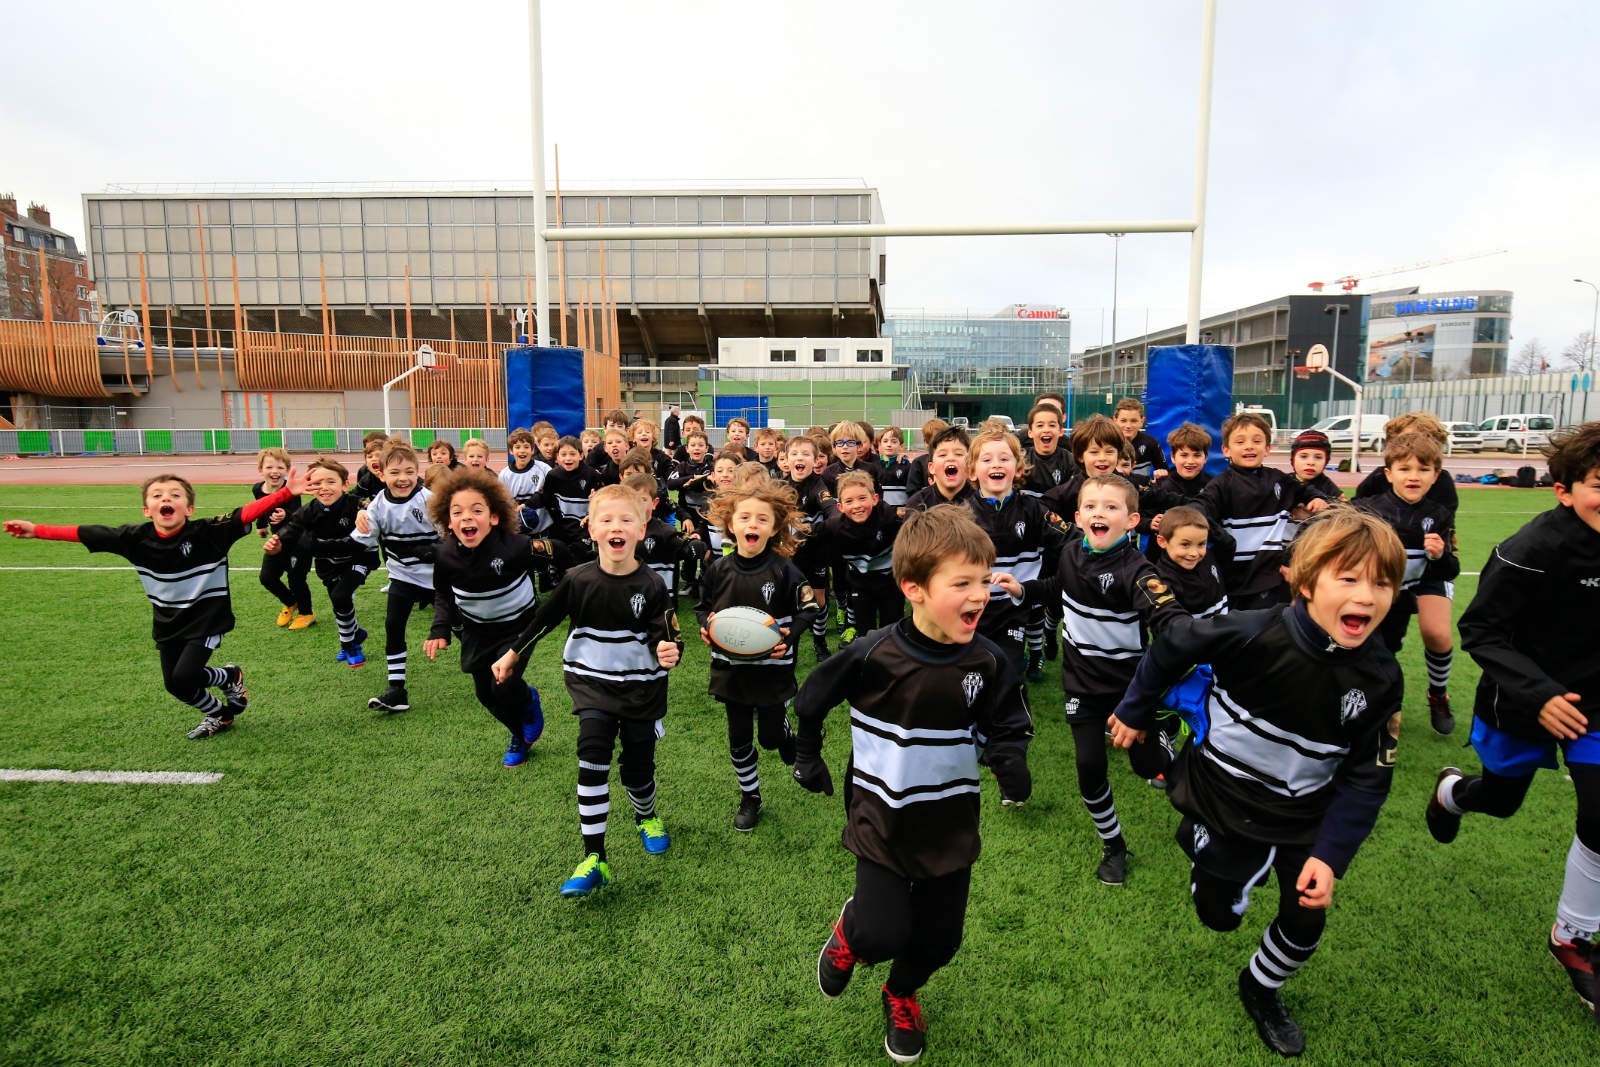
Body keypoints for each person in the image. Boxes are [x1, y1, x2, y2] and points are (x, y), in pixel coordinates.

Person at [1109, 506, 1405, 1057]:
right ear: (1307, 581)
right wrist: (1133, 710)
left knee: (1306, 918)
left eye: (1382, 583)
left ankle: (1261, 987)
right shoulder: (1253, 629)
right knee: (1218, 918)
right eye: (1348, 579)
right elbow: (1171, 647)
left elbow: (1369, 778)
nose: (1366, 595)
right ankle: (1195, 829)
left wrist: (1332, 855)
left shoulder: (1382, 677)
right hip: (1223, 794)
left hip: (1304, 816)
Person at [792, 504, 1033, 1065]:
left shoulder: (990, 661)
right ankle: (852, 932)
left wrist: (1010, 757)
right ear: (914, 588)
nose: (979, 595)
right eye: (962, 583)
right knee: (880, 934)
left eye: (984, 581)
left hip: (949, 822)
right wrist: (806, 757)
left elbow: (1009, 723)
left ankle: (901, 993)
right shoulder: (873, 651)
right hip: (879, 815)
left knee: (941, 941)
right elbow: (810, 700)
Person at [1424, 423, 1600, 1026]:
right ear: (1565, 491)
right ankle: (1453, 792)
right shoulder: (1531, 549)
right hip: (1522, 702)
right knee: (1500, 802)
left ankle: (1573, 936)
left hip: (1594, 707)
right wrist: (1541, 693)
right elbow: (1480, 631)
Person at [6, 470, 304, 739]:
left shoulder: (208, 533)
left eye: (175, 495)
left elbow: (244, 514)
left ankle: (228, 678)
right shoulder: (134, 539)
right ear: (147, 510)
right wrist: (37, 529)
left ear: (188, 509)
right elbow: (87, 532)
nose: (167, 499)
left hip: (207, 618)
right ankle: (221, 711)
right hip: (168, 622)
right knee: (175, 684)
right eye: (158, 496)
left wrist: (285, 493)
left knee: (186, 675)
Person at [492, 485, 684, 898]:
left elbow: (668, 637)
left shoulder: (652, 584)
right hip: (591, 684)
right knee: (592, 754)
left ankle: (645, 815)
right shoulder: (576, 579)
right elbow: (542, 621)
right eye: (607, 520)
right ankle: (594, 857)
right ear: (591, 528)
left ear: (641, 528)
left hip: (641, 690)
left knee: (636, 767)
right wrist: (511, 655)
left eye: (626, 520)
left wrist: (670, 652)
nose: (617, 526)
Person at [994, 474, 1181, 882]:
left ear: (1132, 520)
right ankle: (1113, 845)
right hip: (1081, 684)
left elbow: (1166, 616)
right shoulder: (1069, 552)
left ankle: (1166, 728)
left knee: (1148, 766)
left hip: (1131, 691)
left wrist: (1181, 633)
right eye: (1092, 506)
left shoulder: (1138, 570)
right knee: (1089, 765)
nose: (1100, 513)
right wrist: (1022, 590)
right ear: (1078, 517)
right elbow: (1059, 588)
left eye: (1111, 507)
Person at [696, 477, 821, 831]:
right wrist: (707, 627)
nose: (753, 524)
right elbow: (703, 607)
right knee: (739, 738)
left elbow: (809, 610)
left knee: (769, 738)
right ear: (731, 525)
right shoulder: (718, 570)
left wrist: (791, 635)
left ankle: (785, 736)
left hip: (772, 669)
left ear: (775, 528)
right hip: (730, 669)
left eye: (762, 519)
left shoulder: (785, 571)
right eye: (745, 518)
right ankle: (750, 796)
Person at [423, 469, 556, 768]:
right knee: (485, 695)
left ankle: (524, 715)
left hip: (520, 627)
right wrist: (439, 628)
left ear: (494, 517)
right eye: (457, 512)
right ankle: (518, 729)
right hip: (477, 631)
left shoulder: (516, 546)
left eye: (476, 510)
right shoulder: (444, 554)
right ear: (448, 521)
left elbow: (559, 553)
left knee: (504, 684)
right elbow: (442, 594)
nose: (466, 517)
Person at [1354, 433, 1460, 734]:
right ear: (1388, 474)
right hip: (1366, 597)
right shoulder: (1366, 508)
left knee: (1387, 654)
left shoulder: (1438, 514)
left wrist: (1439, 556)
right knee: (1358, 651)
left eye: (1423, 469)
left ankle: (1392, 705)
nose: (1413, 476)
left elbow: (1450, 570)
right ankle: (1358, 709)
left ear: (1435, 475)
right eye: (1404, 469)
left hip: (1401, 601)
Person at [964, 428, 1071, 683]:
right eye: (987, 459)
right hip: (973, 606)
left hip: (1014, 609)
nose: (996, 464)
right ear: (972, 472)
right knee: (971, 672)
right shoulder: (961, 515)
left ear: (1019, 469)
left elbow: (1070, 539)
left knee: (1008, 673)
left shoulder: (1035, 510)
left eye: (1004, 458)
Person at [1197, 412, 1330, 610]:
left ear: (1267, 448)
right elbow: (1201, 506)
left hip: (1271, 574)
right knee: (1240, 632)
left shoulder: (1279, 480)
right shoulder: (1221, 484)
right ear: (1226, 450)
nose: (1249, 446)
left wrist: (1316, 499)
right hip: (1235, 576)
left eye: (1256, 441)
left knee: (1276, 626)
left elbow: (1305, 490)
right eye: (1240, 442)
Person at [266, 459, 377, 667]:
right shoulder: (308, 511)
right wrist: (277, 542)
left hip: (358, 559)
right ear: (310, 487)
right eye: (317, 483)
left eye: (331, 482)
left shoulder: (355, 504)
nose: (324, 488)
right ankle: (357, 634)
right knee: (339, 603)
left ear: (345, 485)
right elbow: (291, 530)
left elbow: (368, 506)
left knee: (340, 595)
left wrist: (365, 511)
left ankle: (349, 646)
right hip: (328, 564)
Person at [353, 441, 438, 713]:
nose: (403, 478)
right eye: (395, 472)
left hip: (438, 578)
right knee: (393, 625)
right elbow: (362, 541)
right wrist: (360, 520)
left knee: (459, 627)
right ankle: (396, 689)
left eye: (409, 471)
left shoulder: (429, 500)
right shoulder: (377, 505)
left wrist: (432, 551)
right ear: (381, 475)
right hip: (402, 576)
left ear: (418, 472)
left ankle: (487, 671)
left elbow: (453, 537)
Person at [822, 470, 905, 641]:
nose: (857, 505)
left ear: (875, 499)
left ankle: (893, 662)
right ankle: (869, 663)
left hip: (890, 582)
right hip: (860, 584)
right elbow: (806, 537)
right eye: (849, 501)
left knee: (892, 630)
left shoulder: (889, 518)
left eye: (862, 498)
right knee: (865, 633)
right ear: (840, 507)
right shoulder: (834, 527)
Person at [784, 434, 838, 661]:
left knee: (819, 600)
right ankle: (789, 643)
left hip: (815, 553)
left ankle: (819, 640)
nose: (800, 458)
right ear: (786, 460)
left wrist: (810, 531)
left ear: (815, 461)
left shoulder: (819, 487)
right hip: (788, 554)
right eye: (795, 454)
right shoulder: (780, 487)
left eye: (806, 454)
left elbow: (834, 515)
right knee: (788, 599)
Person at [622, 471, 708, 610]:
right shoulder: (619, 531)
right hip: (626, 601)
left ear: (655, 503)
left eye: (642, 500)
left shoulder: (665, 532)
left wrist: (694, 546)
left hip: (662, 603)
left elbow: (685, 548)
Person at [253, 446, 313, 629]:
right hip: (277, 540)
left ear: (287, 470)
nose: (275, 472)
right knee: (267, 577)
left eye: (280, 468)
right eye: (269, 467)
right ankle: (290, 602)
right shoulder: (258, 489)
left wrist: (285, 515)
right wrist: (261, 525)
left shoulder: (291, 488)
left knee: (296, 578)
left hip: (300, 540)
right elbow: (261, 506)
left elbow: (298, 514)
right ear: (260, 470)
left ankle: (306, 613)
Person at [1153, 505, 1229, 619]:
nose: (1194, 553)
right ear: (1162, 541)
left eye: (1201, 544)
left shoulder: (1209, 557)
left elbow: (1229, 544)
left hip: (1224, 631)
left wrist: (1204, 520)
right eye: (1185, 544)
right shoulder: (1162, 582)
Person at [904, 426, 974, 512]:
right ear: (931, 468)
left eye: (959, 454)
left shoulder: (982, 503)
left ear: (970, 466)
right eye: (942, 455)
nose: (951, 458)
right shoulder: (917, 504)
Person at [498, 428, 552, 535]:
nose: (522, 450)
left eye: (526, 447)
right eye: (517, 447)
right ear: (511, 451)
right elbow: (503, 503)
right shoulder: (504, 475)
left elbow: (550, 493)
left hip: (542, 531)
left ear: (532, 450)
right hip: (517, 533)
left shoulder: (544, 469)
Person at [821, 421, 882, 495]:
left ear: (859, 446)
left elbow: (877, 498)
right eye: (840, 443)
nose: (845, 446)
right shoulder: (829, 473)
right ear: (834, 446)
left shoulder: (870, 469)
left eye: (850, 442)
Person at [1114, 397, 1169, 479]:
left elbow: (1164, 471)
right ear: (1115, 420)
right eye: (1123, 421)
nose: (1128, 426)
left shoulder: (1150, 442)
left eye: (1133, 421)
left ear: (1142, 421)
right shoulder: (1108, 442)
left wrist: (1161, 475)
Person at [1164, 422, 1214, 501]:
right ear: (1173, 457)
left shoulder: (1213, 486)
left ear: (1205, 458)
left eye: (1197, 455)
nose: (1190, 461)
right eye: (1184, 455)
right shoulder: (1162, 487)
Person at [1288, 430, 1339, 502]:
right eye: (1304, 456)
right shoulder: (1283, 482)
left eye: (1318, 457)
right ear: (1293, 459)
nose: (1311, 462)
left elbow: (1345, 508)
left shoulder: (1330, 489)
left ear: (1326, 461)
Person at [906, 418, 949, 492]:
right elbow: (912, 490)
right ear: (926, 442)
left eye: (943, 439)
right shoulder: (919, 462)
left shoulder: (954, 461)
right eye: (936, 440)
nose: (940, 443)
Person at [875, 427, 913, 508]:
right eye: (885, 441)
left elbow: (912, 491)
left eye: (894, 442)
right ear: (880, 445)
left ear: (902, 446)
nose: (889, 445)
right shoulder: (874, 465)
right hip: (880, 513)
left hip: (900, 513)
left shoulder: (906, 466)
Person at [354, 432, 389, 505]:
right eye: (370, 455)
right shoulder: (365, 474)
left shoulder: (398, 474)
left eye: (378, 454)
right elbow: (356, 495)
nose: (374, 458)